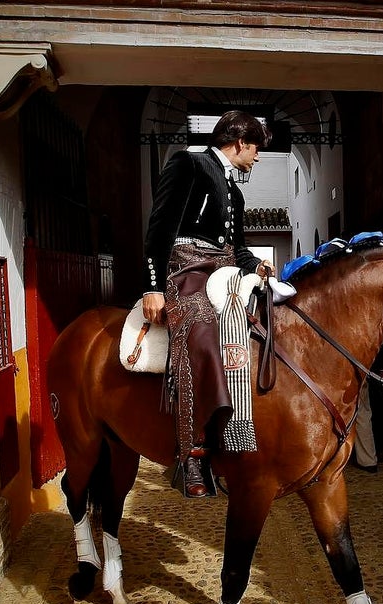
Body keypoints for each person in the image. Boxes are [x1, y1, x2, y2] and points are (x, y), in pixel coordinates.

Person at [142, 111, 274, 498]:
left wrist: (259, 267)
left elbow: (239, 249)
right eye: (256, 148)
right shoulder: (189, 162)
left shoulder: (235, 192)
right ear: (239, 143)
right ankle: (193, 451)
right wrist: (153, 287)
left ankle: (239, 434)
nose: (258, 157)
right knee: (201, 332)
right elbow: (160, 226)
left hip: (226, 272)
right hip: (187, 270)